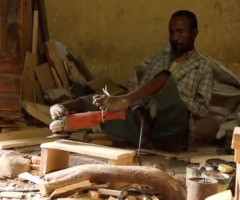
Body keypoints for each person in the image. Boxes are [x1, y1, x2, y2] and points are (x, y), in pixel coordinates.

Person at [50, 10, 214, 151]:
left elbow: (202, 109)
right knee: (104, 101)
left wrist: (173, 96)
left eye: (180, 32)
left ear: (194, 32)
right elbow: (142, 90)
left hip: (174, 126)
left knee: (165, 77)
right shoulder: (160, 59)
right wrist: (137, 110)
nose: (175, 37)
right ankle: (62, 108)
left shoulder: (203, 66)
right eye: (172, 32)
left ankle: (125, 101)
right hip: (146, 123)